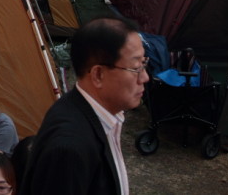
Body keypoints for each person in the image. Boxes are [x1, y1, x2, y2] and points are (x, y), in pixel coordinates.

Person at [22, 17, 148, 195]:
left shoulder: (95, 115)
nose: (144, 77)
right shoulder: (68, 149)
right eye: (136, 67)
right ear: (98, 75)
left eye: (144, 64)